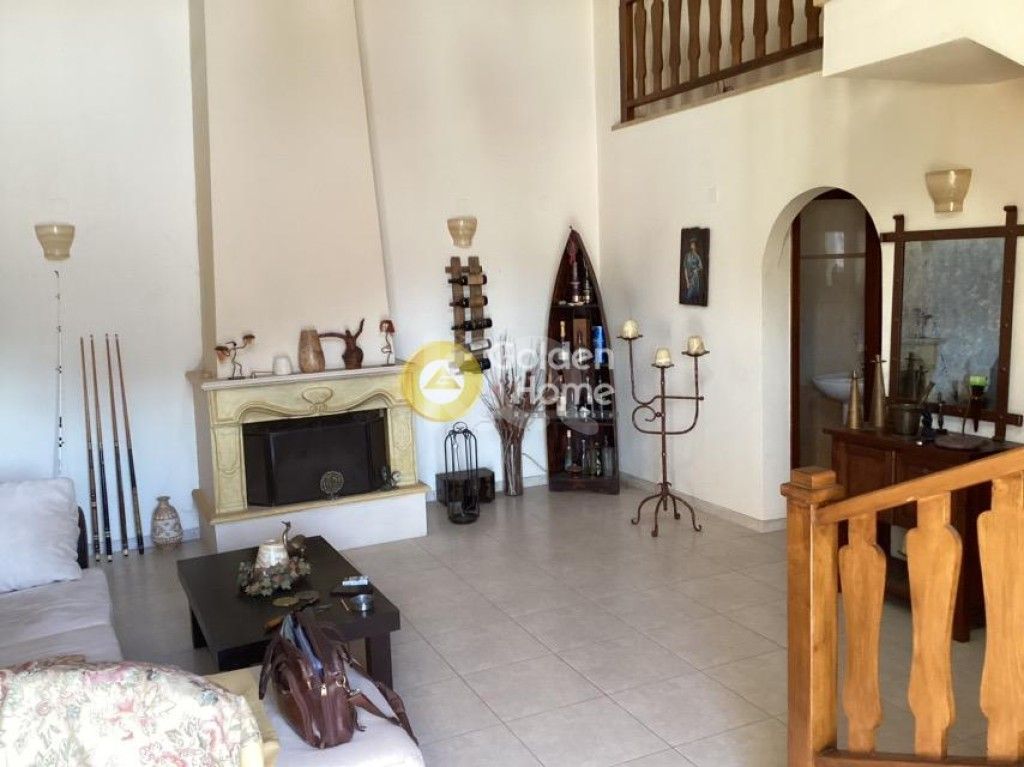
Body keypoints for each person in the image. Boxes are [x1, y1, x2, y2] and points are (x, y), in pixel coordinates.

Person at [682, 237, 705, 304]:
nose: (692, 245)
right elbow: (685, 268)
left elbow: (701, 267)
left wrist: (696, 270)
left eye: (694, 244)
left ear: (696, 246)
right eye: (691, 244)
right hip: (689, 278)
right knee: (688, 296)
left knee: (695, 296)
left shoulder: (697, 256)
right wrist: (687, 282)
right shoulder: (687, 256)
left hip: (695, 278)